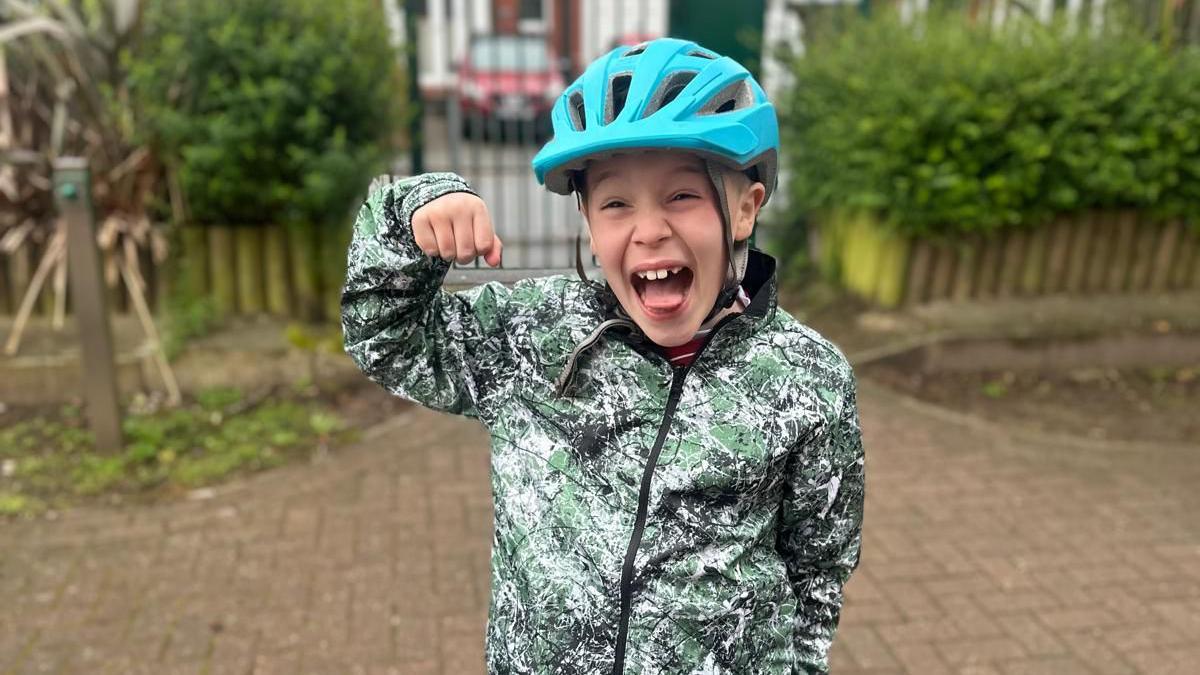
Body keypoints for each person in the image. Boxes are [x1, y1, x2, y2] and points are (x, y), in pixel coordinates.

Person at [342, 37, 865, 675]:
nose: (649, 230)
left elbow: (818, 565)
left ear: (746, 210)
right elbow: (386, 339)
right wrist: (411, 213)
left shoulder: (809, 378)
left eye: (683, 196)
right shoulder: (532, 336)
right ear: (589, 222)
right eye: (617, 204)